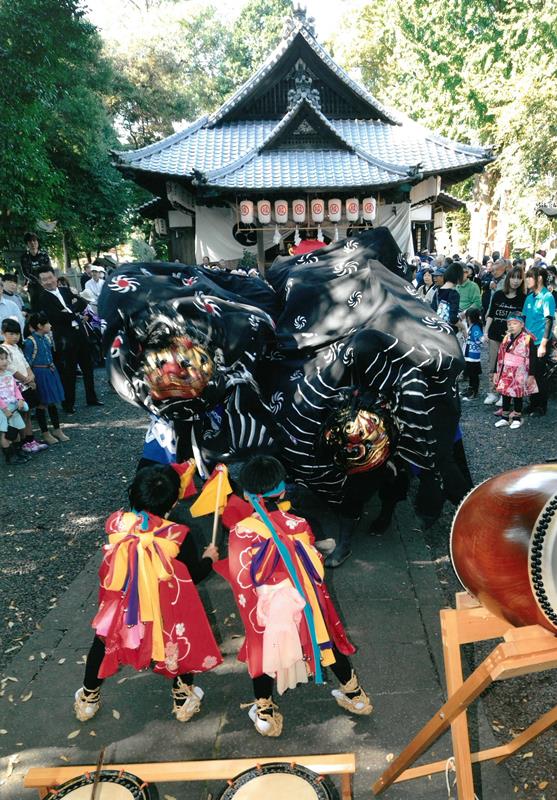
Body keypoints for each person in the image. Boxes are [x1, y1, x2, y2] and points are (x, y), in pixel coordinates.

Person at [214, 455, 372, 737]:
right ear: (282, 490)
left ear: (248, 493)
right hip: (302, 602)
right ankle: (356, 696)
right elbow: (313, 568)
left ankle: (265, 713)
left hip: (264, 610)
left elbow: (241, 577)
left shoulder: (241, 532)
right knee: (324, 643)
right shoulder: (297, 524)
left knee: (261, 650)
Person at [74, 464, 222, 723]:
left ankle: (88, 699)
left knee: (103, 642)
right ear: (174, 501)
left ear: (134, 494)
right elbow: (193, 574)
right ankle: (182, 700)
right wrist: (208, 558)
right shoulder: (176, 535)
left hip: (122, 601)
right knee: (178, 643)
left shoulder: (116, 522)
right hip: (164, 605)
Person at [35, 266, 102, 413]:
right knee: (68, 372)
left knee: (88, 367)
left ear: (55, 277)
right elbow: (56, 317)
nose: (48, 281)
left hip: (80, 333)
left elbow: (83, 303)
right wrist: (74, 312)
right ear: (41, 282)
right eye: (44, 279)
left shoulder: (65, 290)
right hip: (65, 337)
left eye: (50, 277)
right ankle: (68, 404)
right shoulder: (44, 298)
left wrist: (69, 310)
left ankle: (92, 398)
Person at [1, 319, 47, 454]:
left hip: (27, 385)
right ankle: (23, 442)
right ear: (3, 333)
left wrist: (31, 377)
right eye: (11, 333)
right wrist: (27, 380)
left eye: (17, 334)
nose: (15, 336)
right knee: (19, 416)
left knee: (27, 413)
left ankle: (30, 439)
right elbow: (11, 369)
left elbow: (26, 364)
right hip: (16, 388)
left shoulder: (17, 348)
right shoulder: (3, 350)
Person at [24, 312, 69, 445]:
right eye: (47, 323)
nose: (50, 325)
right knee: (42, 403)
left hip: (50, 371)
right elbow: (27, 362)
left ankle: (57, 429)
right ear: (39, 326)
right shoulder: (30, 342)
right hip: (39, 373)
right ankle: (45, 432)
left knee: (52, 402)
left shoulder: (46, 338)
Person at [483, 266, 526, 405]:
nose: (516, 281)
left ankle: (504, 393)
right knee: (493, 364)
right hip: (495, 334)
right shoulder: (498, 294)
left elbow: (523, 319)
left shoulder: (523, 298)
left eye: (519, 278)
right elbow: (491, 314)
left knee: (508, 366)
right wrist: (486, 331)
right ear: (508, 279)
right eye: (513, 277)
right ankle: (492, 392)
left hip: (512, 339)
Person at [493, 313, 537, 430]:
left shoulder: (527, 339)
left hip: (520, 371)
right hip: (506, 370)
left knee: (518, 395)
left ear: (522, 325)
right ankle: (505, 418)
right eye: (509, 324)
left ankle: (517, 417)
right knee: (505, 394)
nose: (511, 326)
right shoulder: (506, 338)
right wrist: (496, 372)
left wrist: (531, 374)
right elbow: (499, 355)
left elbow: (533, 357)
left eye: (515, 323)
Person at [522, 266, 556, 416]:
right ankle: (533, 402)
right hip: (528, 341)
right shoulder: (529, 297)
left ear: (539, 278)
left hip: (540, 342)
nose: (527, 280)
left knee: (540, 374)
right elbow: (524, 318)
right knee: (530, 372)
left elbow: (549, 321)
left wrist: (543, 344)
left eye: (530, 277)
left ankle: (541, 406)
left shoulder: (547, 296)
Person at [0, 345, 30, 464]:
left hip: (13, 405)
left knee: (15, 428)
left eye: (5, 358)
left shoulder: (8, 373)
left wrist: (20, 399)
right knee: (4, 433)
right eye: (1, 359)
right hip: (3, 409)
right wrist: (4, 409)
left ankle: (17, 451)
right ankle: (10, 457)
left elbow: (15, 388)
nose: (4, 361)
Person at [20, 232, 52, 310]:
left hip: (45, 283)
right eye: (30, 242)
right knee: (35, 305)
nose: (33, 243)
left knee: (49, 304)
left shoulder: (44, 255)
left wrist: (44, 280)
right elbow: (25, 273)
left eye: (34, 241)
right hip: (32, 285)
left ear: (37, 242)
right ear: (27, 244)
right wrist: (37, 281)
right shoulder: (24, 257)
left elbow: (49, 269)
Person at [431, 261, 463, 332]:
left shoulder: (437, 291)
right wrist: (463, 327)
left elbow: (432, 310)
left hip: (435, 328)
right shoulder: (454, 293)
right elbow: (453, 319)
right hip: (447, 332)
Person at [462, 307, 483, 400]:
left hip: (473, 355)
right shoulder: (473, 326)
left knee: (473, 374)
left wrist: (479, 340)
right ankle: (471, 389)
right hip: (469, 354)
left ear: (469, 318)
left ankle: (474, 391)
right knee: (471, 373)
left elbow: (479, 339)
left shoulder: (475, 327)